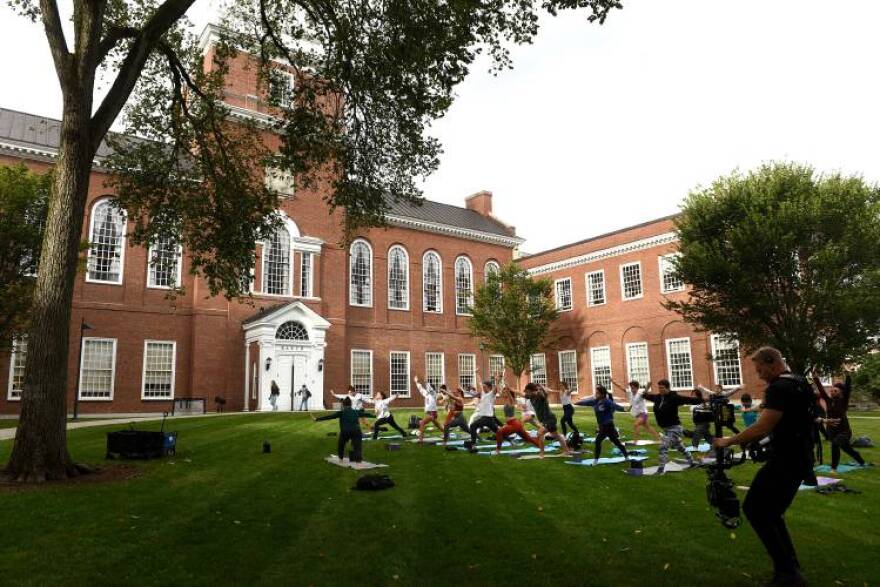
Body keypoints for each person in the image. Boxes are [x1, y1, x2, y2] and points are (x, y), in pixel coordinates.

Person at [714, 347, 814, 587]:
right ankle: (789, 567)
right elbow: (792, 421)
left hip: (786, 461)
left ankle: (788, 573)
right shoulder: (800, 381)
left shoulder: (779, 388)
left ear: (772, 363)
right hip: (800, 458)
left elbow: (762, 427)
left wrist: (728, 440)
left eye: (760, 369)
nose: (759, 375)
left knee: (755, 509)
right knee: (770, 513)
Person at [810, 369, 867, 473]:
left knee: (835, 444)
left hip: (844, 431)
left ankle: (833, 468)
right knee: (847, 449)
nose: (832, 392)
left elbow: (848, 389)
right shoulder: (828, 400)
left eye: (835, 391)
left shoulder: (843, 401)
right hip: (832, 431)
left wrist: (848, 376)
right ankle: (861, 461)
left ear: (840, 392)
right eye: (831, 391)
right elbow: (821, 390)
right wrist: (815, 378)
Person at [642, 378, 701, 472]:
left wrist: (705, 400)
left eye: (662, 388)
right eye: (659, 388)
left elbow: (689, 400)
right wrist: (647, 387)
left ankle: (660, 470)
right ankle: (692, 462)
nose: (660, 390)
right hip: (666, 428)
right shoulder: (657, 397)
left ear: (668, 388)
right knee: (680, 447)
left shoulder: (674, 397)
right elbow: (644, 395)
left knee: (663, 446)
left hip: (674, 428)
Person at [312, 397, 375, 464]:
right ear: (351, 404)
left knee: (341, 445)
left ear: (343, 405)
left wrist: (317, 419)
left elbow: (329, 417)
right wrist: (375, 416)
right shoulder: (356, 411)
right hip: (356, 431)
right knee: (357, 447)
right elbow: (366, 414)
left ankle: (341, 459)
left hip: (345, 431)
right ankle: (359, 462)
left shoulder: (341, 412)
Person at [575, 385, 628, 464]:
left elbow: (615, 406)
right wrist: (577, 403)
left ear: (602, 394)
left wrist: (624, 409)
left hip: (607, 425)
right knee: (616, 442)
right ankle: (626, 457)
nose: (596, 395)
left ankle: (596, 460)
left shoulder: (607, 401)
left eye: (597, 393)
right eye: (596, 393)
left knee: (598, 441)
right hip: (604, 425)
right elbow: (586, 402)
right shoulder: (595, 401)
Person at [494, 387, 542, 455]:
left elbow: (510, 396)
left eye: (505, 392)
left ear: (508, 393)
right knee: (528, 439)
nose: (503, 393)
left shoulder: (511, 400)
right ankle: (541, 446)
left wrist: (508, 389)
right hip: (513, 424)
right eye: (504, 392)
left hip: (514, 424)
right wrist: (498, 381)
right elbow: (500, 392)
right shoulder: (506, 400)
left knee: (499, 432)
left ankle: (498, 450)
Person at [528, 383, 571, 458]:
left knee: (540, 433)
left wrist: (542, 388)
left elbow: (543, 393)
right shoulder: (535, 396)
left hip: (549, 419)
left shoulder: (542, 396)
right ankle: (566, 451)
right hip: (547, 419)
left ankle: (542, 454)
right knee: (557, 435)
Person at [468, 379, 501, 448]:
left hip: (487, 417)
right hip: (486, 418)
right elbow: (480, 383)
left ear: (489, 387)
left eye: (485, 387)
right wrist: (478, 373)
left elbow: (495, 389)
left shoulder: (491, 394)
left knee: (473, 426)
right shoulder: (483, 393)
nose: (483, 388)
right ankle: (509, 439)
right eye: (483, 387)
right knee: (498, 432)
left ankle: (473, 444)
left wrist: (497, 381)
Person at [414, 376, 444, 443]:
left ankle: (420, 440)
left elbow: (429, 387)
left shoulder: (433, 393)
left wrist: (426, 382)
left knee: (422, 423)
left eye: (429, 388)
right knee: (437, 424)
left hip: (432, 413)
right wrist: (416, 382)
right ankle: (446, 434)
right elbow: (420, 388)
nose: (428, 389)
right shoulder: (426, 393)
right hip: (430, 412)